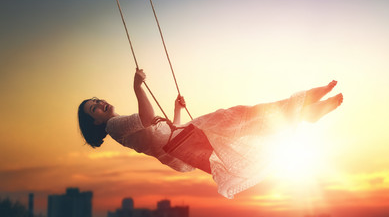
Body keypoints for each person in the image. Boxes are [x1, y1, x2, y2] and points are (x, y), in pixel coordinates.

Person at [78, 69, 343, 198]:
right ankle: (303, 107)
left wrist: (176, 109)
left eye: (97, 101)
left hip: (182, 141)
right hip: (183, 142)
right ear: (96, 123)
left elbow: (161, 130)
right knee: (242, 117)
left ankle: (304, 111)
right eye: (95, 109)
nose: (100, 103)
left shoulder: (120, 125)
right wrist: (137, 87)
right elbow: (149, 120)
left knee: (243, 124)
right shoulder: (114, 126)